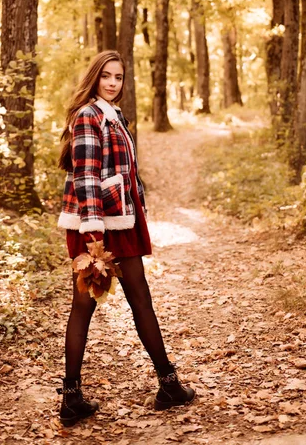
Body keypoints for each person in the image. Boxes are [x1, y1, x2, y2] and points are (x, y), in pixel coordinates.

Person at [57, 50, 195, 427]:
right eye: (106, 76)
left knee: (137, 298)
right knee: (91, 304)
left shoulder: (113, 115)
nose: (113, 83)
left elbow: (124, 170)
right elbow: (85, 176)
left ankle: (165, 385)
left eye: (118, 77)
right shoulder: (89, 115)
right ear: (95, 78)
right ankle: (76, 395)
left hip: (120, 219)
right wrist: (93, 233)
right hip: (100, 225)